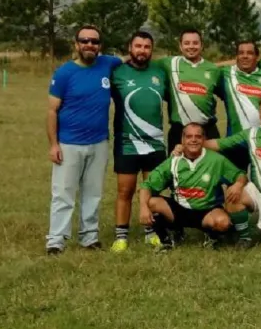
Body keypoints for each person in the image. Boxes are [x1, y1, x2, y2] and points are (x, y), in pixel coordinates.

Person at [45, 25, 123, 255]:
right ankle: (56, 240)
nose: (90, 45)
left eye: (94, 41)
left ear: (100, 46)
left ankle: (89, 237)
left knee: (93, 193)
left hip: (99, 143)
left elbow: (130, 60)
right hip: (69, 143)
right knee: (63, 193)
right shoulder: (64, 73)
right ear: (76, 44)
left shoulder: (108, 64)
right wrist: (53, 144)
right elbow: (51, 111)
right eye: (85, 41)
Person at [206, 94, 261, 248]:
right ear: (259, 113)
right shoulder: (251, 134)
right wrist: (189, 144)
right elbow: (220, 144)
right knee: (234, 193)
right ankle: (244, 237)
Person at [139, 123, 246, 250]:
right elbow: (146, 185)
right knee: (151, 202)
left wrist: (238, 184)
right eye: (189, 136)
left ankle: (212, 237)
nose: (193, 140)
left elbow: (240, 174)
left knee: (223, 222)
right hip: (178, 209)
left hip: (206, 210)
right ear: (182, 140)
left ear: (204, 139)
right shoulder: (174, 160)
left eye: (198, 136)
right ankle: (166, 240)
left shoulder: (216, 160)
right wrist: (143, 208)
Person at [109, 30, 166, 252]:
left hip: (155, 144)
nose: (142, 51)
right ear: (130, 48)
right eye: (138, 46)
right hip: (127, 143)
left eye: (147, 47)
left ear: (152, 50)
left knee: (152, 191)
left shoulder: (160, 73)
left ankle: (151, 233)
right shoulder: (118, 73)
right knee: (125, 191)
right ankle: (121, 236)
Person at [154, 29, 222, 149]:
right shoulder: (169, 64)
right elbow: (143, 63)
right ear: (180, 46)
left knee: (211, 167)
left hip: (207, 129)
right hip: (179, 130)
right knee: (178, 167)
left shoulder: (213, 69)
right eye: (187, 43)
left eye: (195, 43)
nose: (191, 46)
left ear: (202, 45)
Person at [215, 39, 261, 170]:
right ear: (236, 56)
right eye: (241, 53)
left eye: (249, 53)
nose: (245, 56)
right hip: (235, 143)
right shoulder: (225, 74)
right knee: (236, 186)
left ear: (257, 56)